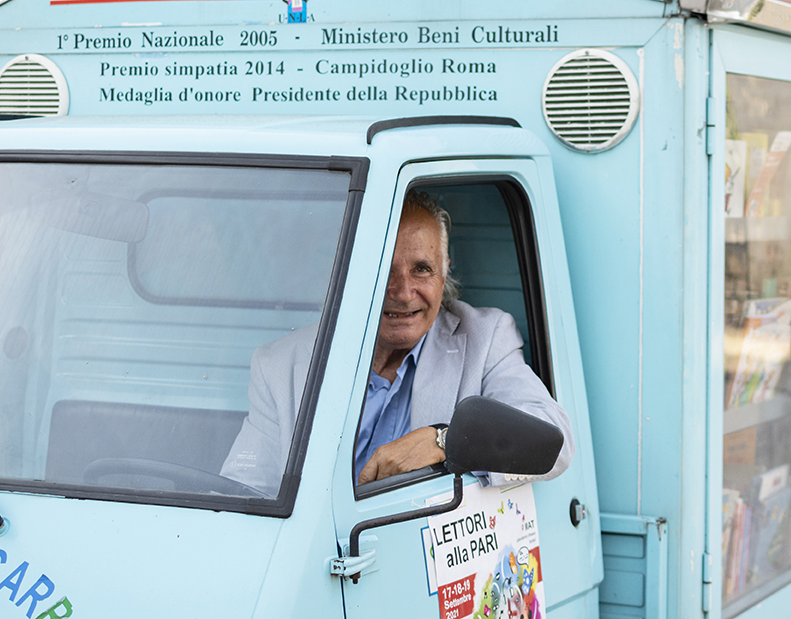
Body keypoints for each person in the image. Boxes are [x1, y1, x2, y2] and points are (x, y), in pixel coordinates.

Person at [222, 190, 573, 494]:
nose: (403, 293)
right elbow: (246, 493)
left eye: (421, 269)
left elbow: (554, 441)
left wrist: (444, 441)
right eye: (383, 271)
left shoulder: (485, 337)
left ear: (444, 270)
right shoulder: (281, 364)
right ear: (349, 273)